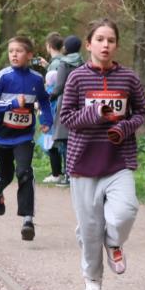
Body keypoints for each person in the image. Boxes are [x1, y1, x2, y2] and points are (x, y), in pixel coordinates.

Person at [59, 19, 145, 290]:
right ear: (89, 44)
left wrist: (122, 127)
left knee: (125, 212)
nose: (105, 45)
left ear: (116, 45)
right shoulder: (77, 78)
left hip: (118, 160)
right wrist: (97, 113)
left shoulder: (129, 78)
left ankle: (113, 241)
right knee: (89, 228)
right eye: (99, 39)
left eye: (110, 40)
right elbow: (67, 118)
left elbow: (141, 113)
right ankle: (93, 281)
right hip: (83, 163)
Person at [0, 36, 52, 241]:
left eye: (19, 51)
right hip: (2, 136)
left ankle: (27, 220)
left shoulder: (36, 80)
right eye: (11, 51)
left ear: (29, 55)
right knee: (7, 175)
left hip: (24, 136)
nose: (14, 54)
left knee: (24, 172)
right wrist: (10, 104)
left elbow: (45, 101)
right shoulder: (2, 77)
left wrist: (46, 119)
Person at [49, 35, 83, 187]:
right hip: (81, 104)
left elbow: (60, 85)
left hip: (66, 103)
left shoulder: (64, 63)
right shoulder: (82, 62)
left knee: (65, 141)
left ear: (66, 47)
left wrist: (50, 97)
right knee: (76, 140)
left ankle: (68, 175)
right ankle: (76, 173)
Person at [41, 32, 66, 183]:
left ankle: (57, 173)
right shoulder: (63, 61)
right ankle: (62, 172)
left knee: (53, 141)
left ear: (49, 46)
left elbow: (54, 85)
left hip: (55, 106)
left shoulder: (56, 64)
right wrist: (46, 66)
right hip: (63, 104)